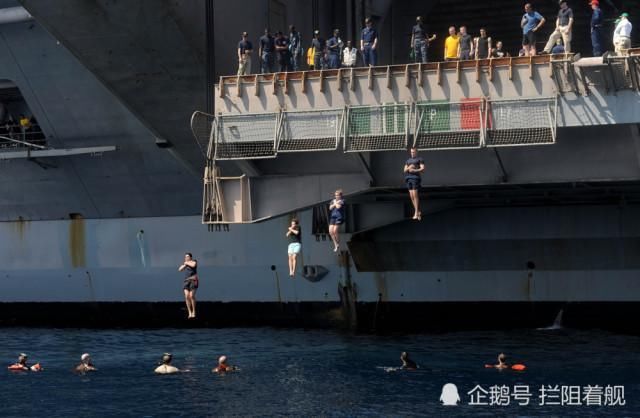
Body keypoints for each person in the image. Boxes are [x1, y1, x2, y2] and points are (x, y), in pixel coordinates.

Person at [404, 147, 425, 220]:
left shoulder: (419, 159)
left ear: (416, 152)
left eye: (413, 152)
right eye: (411, 152)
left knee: (415, 195)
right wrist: (409, 167)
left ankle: (416, 212)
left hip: (415, 178)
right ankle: (418, 211)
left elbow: (423, 169)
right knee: (411, 196)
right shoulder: (408, 160)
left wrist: (415, 170)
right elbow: (404, 170)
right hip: (408, 178)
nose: (412, 153)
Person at [178, 252, 198, 319]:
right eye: (185, 257)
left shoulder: (194, 261)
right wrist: (185, 264)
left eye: (187, 257)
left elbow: (193, 265)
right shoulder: (185, 264)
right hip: (186, 281)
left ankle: (194, 312)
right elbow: (180, 269)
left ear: (190, 257)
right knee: (186, 296)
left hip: (193, 280)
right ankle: (189, 312)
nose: (186, 258)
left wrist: (186, 263)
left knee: (191, 295)